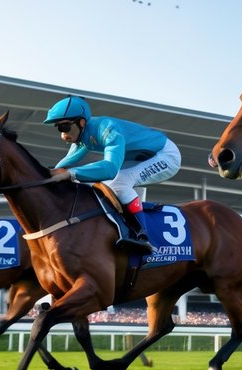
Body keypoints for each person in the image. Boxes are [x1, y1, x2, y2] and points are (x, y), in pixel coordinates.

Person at [42, 95, 181, 254]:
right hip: (141, 157)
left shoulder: (108, 129)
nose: (63, 135)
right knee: (96, 182)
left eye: (64, 127)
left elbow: (110, 169)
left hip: (166, 155)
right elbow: (64, 165)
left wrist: (70, 173)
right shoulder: (82, 135)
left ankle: (142, 236)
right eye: (58, 128)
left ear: (81, 122)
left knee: (120, 182)